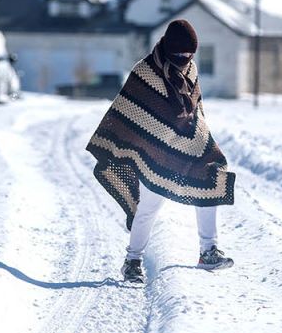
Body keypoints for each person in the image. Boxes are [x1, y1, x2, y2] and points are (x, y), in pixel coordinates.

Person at [86, 19, 235, 284]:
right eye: (181, 54)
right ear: (169, 48)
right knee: (148, 208)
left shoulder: (191, 69)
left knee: (211, 181)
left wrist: (198, 136)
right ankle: (132, 261)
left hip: (189, 146)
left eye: (190, 55)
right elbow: (129, 111)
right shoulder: (145, 71)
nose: (185, 59)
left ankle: (208, 251)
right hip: (153, 152)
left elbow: (195, 109)